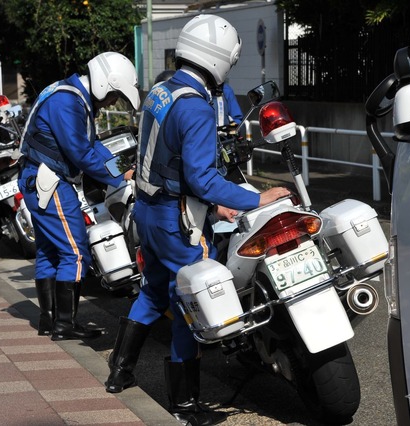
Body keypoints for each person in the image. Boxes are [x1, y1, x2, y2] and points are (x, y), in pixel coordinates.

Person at [104, 14, 290, 426]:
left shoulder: (162, 91)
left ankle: (120, 370)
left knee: (153, 291)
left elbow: (171, 162)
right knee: (191, 300)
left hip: (148, 211)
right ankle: (184, 403)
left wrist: (220, 203)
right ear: (220, 59)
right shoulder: (197, 107)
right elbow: (202, 177)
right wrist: (254, 197)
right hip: (176, 219)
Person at [17, 52, 140, 341]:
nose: (113, 103)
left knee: (50, 252)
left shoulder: (73, 96)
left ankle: (49, 321)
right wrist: (118, 176)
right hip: (49, 179)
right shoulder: (68, 101)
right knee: (75, 252)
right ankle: (64, 325)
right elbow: (81, 152)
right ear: (103, 85)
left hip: (39, 177)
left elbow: (91, 145)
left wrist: (121, 167)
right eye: (114, 96)